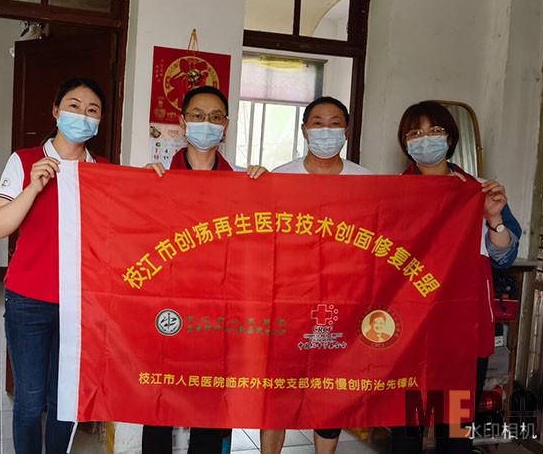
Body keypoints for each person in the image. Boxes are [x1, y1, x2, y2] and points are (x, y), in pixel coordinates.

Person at [390, 100, 521, 454]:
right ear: (405, 143)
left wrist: (494, 219)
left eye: (434, 130)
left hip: (463, 330)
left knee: (456, 429)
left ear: (449, 139)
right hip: (408, 330)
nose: (425, 139)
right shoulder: (391, 192)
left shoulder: (479, 190)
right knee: (407, 428)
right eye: (415, 133)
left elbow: (504, 256)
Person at [0, 77, 108, 454]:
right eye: (74, 106)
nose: (82, 115)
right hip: (28, 300)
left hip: (80, 304)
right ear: (55, 111)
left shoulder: (103, 171)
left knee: (64, 401)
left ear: (99, 121)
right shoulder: (24, 160)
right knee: (29, 400)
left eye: (92, 110)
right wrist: (33, 187)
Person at [143, 85, 266, 454]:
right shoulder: (157, 177)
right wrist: (139, 188)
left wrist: (267, 187)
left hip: (219, 311)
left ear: (225, 126)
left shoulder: (243, 181)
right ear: (182, 122)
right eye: (197, 115)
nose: (206, 123)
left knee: (211, 404)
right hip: (166, 309)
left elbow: (258, 243)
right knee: (159, 402)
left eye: (215, 117)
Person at [262, 96, 371, 454]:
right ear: (304, 130)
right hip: (289, 301)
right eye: (318, 123)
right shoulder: (280, 178)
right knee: (279, 392)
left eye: (335, 123)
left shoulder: (369, 183)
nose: (327, 131)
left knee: (331, 390)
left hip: (343, 301)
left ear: (346, 131)